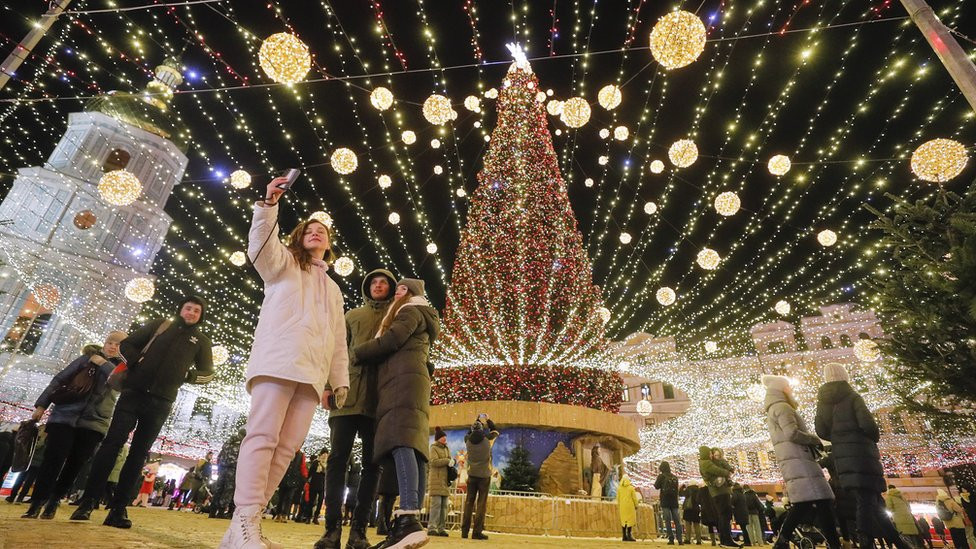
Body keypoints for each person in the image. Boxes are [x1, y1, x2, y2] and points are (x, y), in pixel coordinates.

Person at [222, 176, 350, 549]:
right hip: (277, 362)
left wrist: (339, 380)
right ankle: (245, 519)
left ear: (329, 243)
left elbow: (338, 338)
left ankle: (245, 526)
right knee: (262, 437)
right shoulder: (283, 263)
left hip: (311, 376)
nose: (315, 232)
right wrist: (269, 205)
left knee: (286, 448)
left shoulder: (334, 289)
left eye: (321, 231)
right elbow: (260, 246)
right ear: (298, 237)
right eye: (308, 229)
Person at [70, 296, 214, 528]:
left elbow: (208, 373)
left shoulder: (201, 341)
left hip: (161, 402)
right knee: (111, 444)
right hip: (133, 393)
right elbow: (126, 345)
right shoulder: (160, 325)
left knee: (138, 454)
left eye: (196, 311)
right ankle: (87, 502)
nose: (191, 313)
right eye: (188, 308)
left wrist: (188, 376)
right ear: (180, 309)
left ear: (201, 316)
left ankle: (118, 509)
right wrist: (138, 362)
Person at [349, 278, 440, 549]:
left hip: (402, 382)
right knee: (415, 447)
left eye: (401, 289)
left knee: (402, 442)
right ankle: (409, 523)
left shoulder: (410, 311)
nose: (396, 293)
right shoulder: (421, 313)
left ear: (411, 293)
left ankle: (408, 518)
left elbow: (392, 339)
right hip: (411, 380)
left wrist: (355, 354)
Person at [317, 268, 396, 549]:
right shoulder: (351, 316)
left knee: (372, 467)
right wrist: (328, 385)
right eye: (374, 282)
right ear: (367, 287)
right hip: (346, 397)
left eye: (383, 282)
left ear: (391, 288)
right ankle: (331, 530)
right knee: (337, 461)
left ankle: (359, 532)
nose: (378, 285)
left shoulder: (397, 317)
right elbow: (335, 350)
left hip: (378, 402)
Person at [20, 332, 127, 520]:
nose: (112, 346)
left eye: (117, 344)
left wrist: (103, 364)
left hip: (95, 421)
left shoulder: (123, 368)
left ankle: (54, 499)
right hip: (65, 415)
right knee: (53, 459)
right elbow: (59, 380)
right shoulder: (85, 359)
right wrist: (42, 405)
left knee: (75, 463)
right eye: (109, 342)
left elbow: (119, 384)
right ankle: (37, 502)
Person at [815, 363, 911, 549]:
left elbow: (821, 430)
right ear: (845, 375)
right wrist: (872, 437)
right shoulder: (852, 397)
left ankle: (899, 543)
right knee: (866, 498)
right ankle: (866, 542)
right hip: (861, 453)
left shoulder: (823, 402)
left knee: (874, 501)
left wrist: (839, 438)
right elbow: (868, 425)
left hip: (842, 456)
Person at [762, 375, 840, 549]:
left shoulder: (774, 408)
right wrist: (814, 439)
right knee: (821, 502)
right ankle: (833, 544)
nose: (790, 389)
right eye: (787, 387)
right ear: (781, 389)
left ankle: (783, 540)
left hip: (795, 461)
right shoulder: (783, 407)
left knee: (809, 503)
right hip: (800, 461)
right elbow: (792, 433)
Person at [462, 414, 499, 541]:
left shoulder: (467, 440)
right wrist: (488, 419)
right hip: (484, 476)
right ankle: (477, 532)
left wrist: (476, 420)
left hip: (471, 475)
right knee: (481, 504)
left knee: (469, 502)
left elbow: (469, 433)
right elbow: (495, 431)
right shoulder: (488, 439)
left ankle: (464, 531)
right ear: (482, 429)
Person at [700, 446, 738, 547]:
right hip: (720, 491)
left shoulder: (708, 462)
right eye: (711, 454)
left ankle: (725, 540)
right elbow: (717, 470)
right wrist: (728, 472)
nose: (712, 455)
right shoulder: (707, 463)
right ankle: (726, 540)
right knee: (725, 515)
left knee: (724, 516)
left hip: (720, 491)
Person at [210, 428, 246, 519]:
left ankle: (212, 512)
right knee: (228, 491)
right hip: (232, 470)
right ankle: (221, 512)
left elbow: (219, 456)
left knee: (219, 489)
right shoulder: (242, 444)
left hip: (222, 468)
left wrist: (219, 467)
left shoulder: (227, 443)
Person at [427, 426, 453, 537]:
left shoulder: (447, 448)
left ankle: (441, 528)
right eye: (443, 437)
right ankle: (432, 527)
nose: (444, 438)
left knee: (444, 507)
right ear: (438, 438)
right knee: (436, 505)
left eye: (445, 437)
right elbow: (433, 462)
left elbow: (449, 460)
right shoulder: (433, 448)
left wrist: (452, 462)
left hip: (445, 481)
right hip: (436, 480)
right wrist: (447, 461)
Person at [656, 461, 684, 545]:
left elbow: (656, 486)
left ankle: (671, 539)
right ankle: (680, 539)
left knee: (667, 520)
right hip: (674, 501)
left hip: (665, 501)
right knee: (677, 521)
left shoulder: (661, 476)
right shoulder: (674, 477)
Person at [275, 451, 307, 522]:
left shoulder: (301, 455)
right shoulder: (287, 450)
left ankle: (284, 514)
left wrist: (304, 477)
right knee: (281, 497)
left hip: (294, 479)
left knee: (289, 498)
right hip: (284, 477)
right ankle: (278, 513)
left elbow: (303, 467)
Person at [304, 448, 327, 525]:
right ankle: (308, 517)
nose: (325, 455)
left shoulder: (327, 463)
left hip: (322, 483)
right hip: (314, 482)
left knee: (320, 501)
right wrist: (307, 481)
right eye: (324, 453)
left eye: (326, 453)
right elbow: (310, 472)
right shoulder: (316, 462)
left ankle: (316, 516)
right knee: (311, 500)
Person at [616, 474, 641, 542]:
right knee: (630, 520)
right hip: (630, 506)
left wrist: (619, 505)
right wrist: (636, 505)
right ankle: (629, 535)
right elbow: (634, 498)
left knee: (623, 521)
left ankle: (624, 535)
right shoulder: (631, 488)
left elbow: (618, 498)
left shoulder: (619, 488)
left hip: (622, 506)